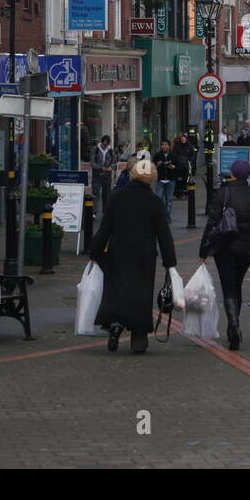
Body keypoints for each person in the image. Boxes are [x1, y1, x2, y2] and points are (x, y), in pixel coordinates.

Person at [92, 158, 177, 354]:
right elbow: (164, 234)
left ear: (132, 174)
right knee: (140, 294)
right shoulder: (154, 202)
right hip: (143, 255)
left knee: (117, 290)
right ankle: (138, 338)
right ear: (153, 178)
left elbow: (105, 229)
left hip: (118, 252)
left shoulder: (116, 197)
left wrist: (95, 252)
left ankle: (115, 325)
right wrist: (169, 262)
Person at [200, 158, 250, 351]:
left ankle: (233, 325)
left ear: (232, 173)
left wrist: (203, 250)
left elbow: (212, 222)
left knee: (228, 286)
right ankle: (235, 323)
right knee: (237, 284)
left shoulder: (222, 194)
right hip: (245, 249)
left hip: (224, 247)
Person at [151, 140, 178, 222]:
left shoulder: (174, 156)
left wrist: (173, 167)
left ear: (169, 146)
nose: (163, 146)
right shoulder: (157, 155)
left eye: (165, 145)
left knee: (169, 200)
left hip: (170, 180)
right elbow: (152, 168)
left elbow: (179, 168)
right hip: (160, 180)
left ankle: (167, 218)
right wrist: (157, 165)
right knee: (159, 200)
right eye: (162, 145)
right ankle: (160, 217)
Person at [91, 135, 116, 216]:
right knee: (96, 193)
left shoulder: (110, 150)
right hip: (97, 175)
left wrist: (111, 167)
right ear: (101, 142)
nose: (105, 146)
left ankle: (105, 212)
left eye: (106, 144)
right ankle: (94, 212)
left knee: (106, 194)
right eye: (104, 144)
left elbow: (114, 162)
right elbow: (92, 163)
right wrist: (101, 168)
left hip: (107, 176)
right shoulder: (95, 149)